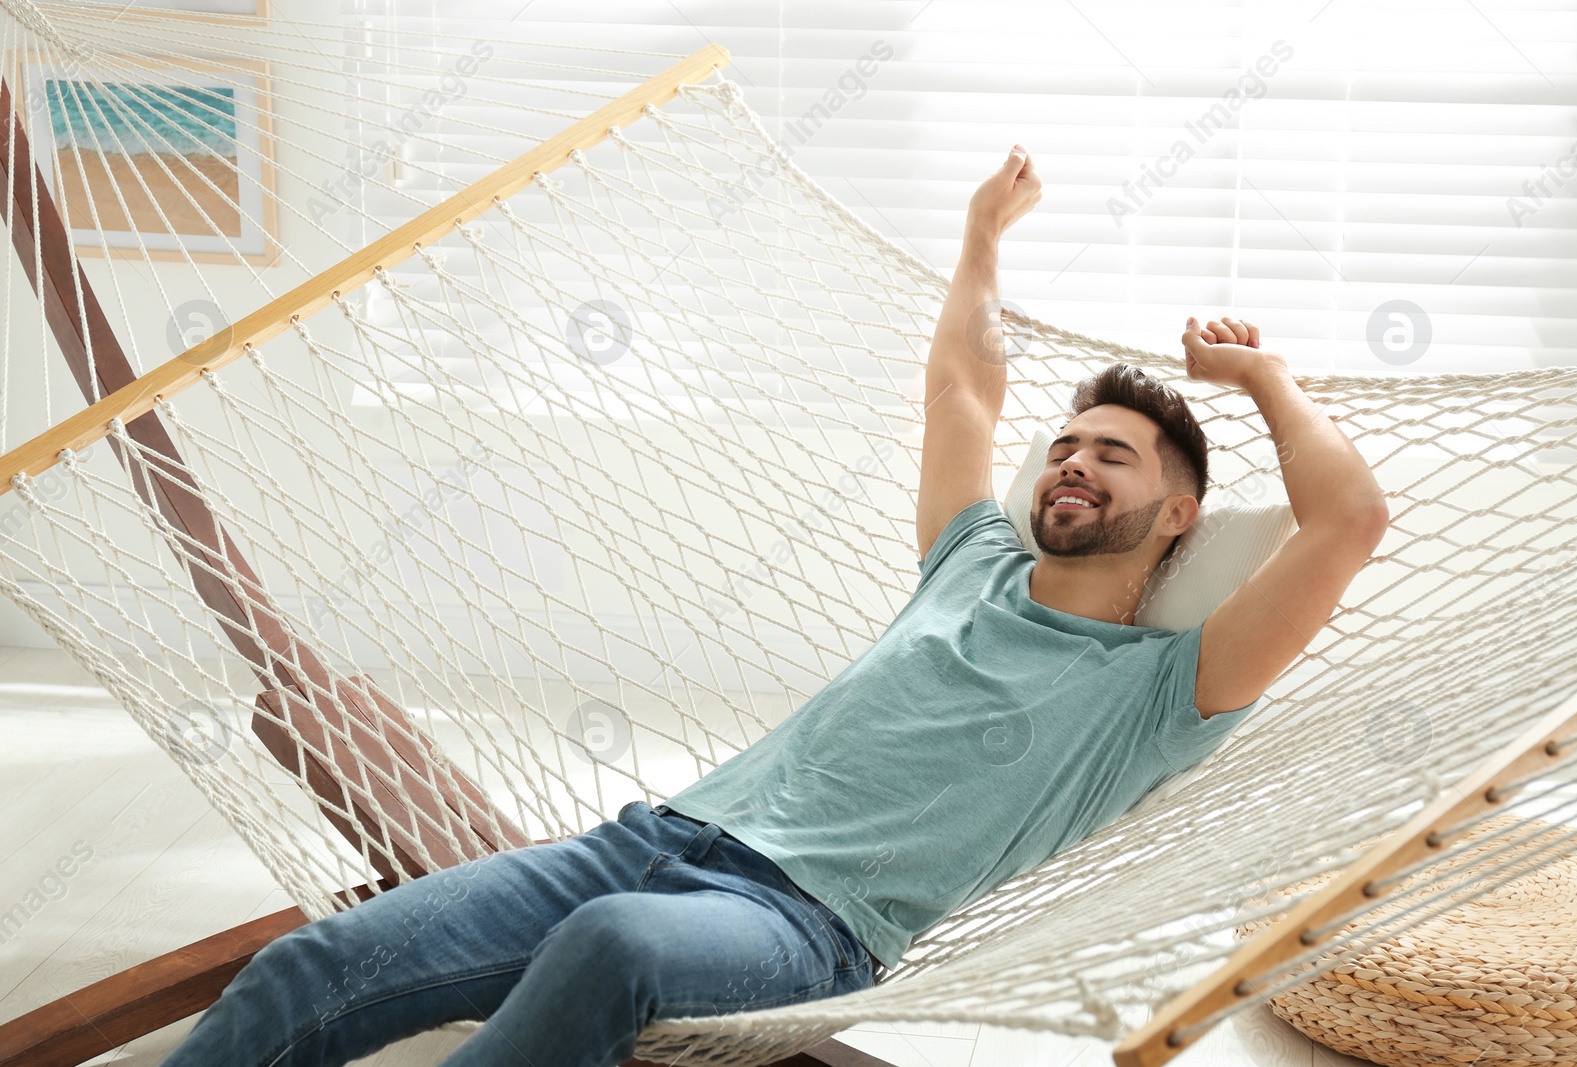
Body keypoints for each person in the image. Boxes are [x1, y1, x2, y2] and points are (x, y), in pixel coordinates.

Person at [160, 146, 1388, 1067]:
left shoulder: (1163, 690)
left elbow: (1347, 521)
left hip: (804, 925)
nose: (1073, 461)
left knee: (614, 949)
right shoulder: (969, 560)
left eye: (1115, 457)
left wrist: (1259, 376)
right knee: (311, 959)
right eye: (1067, 444)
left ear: (1178, 517)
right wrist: (978, 237)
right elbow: (962, 382)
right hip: (645, 839)